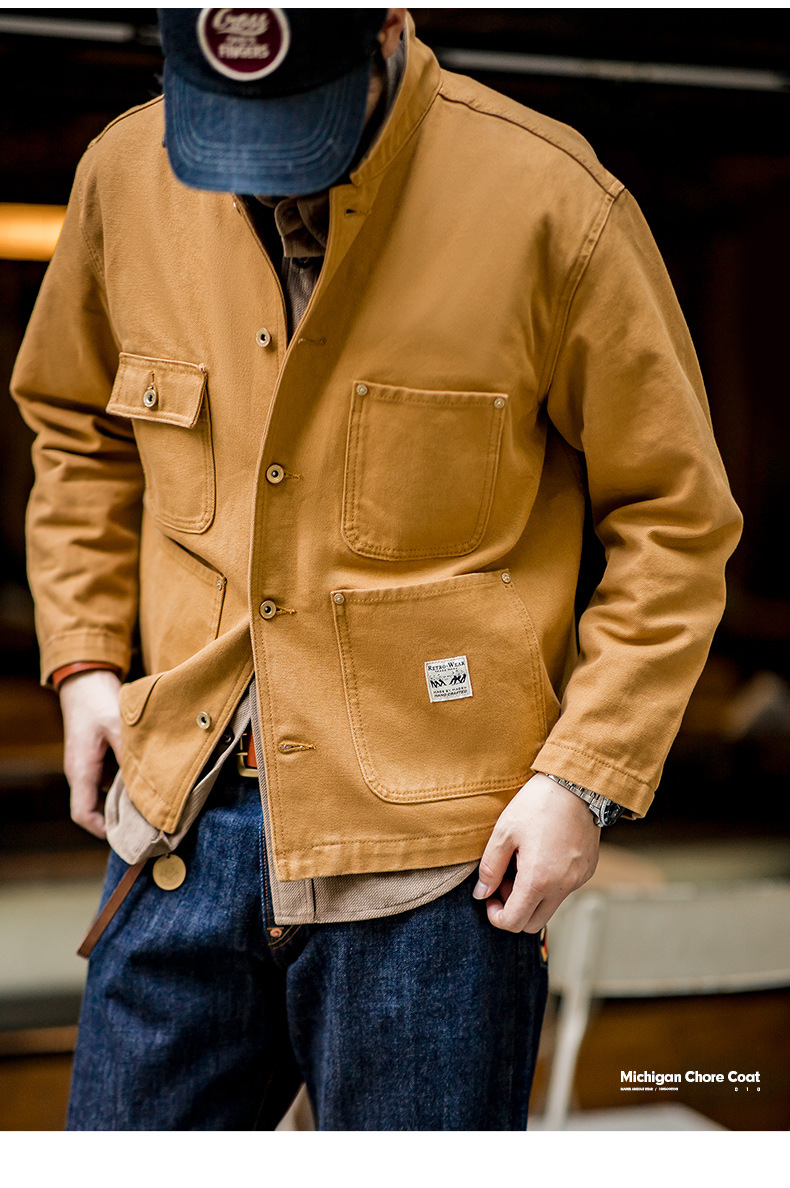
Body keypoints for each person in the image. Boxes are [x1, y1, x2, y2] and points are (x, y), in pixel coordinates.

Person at [11, 8, 741, 1131]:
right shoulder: (123, 175)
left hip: (438, 872)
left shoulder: (552, 204)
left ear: (384, 32)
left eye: (295, 125)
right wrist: (85, 660)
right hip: (178, 819)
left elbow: (676, 520)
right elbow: (77, 430)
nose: (258, 174)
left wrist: (581, 778)